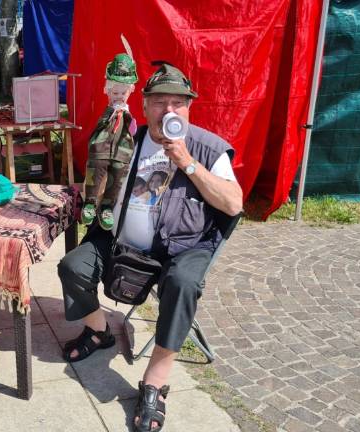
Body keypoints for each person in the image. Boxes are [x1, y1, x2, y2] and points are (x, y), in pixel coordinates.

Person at [57, 62, 243, 432]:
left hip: (181, 249)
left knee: (184, 284)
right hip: (122, 242)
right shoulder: (129, 139)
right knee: (72, 266)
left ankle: (156, 379)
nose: (169, 111)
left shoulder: (208, 149)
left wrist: (187, 162)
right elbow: (100, 176)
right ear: (144, 104)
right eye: (160, 102)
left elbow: (234, 203)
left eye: (178, 102)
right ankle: (99, 331)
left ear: (190, 107)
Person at [81, 53, 139, 231]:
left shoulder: (127, 113)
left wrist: (130, 121)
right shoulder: (110, 111)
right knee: (96, 168)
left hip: (121, 151)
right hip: (102, 147)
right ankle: (90, 203)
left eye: (123, 93)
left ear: (130, 92)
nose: (119, 96)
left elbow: (133, 130)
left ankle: (107, 207)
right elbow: (101, 126)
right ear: (107, 91)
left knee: (118, 175)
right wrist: (112, 113)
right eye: (115, 92)